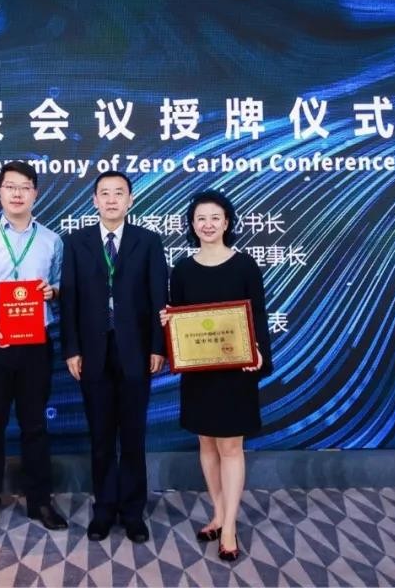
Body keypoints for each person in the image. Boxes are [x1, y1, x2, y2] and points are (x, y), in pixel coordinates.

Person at [0, 161, 68, 541]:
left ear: (35, 192)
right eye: (10, 186)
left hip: (35, 343)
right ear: (0, 192)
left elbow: (59, 285)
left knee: (35, 425)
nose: (17, 193)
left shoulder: (52, 240)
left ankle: (40, 501)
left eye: (25, 187)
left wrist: (53, 291)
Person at [160, 189, 272, 562]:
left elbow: (258, 314)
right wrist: (169, 321)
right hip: (200, 373)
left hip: (235, 371)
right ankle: (219, 513)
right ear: (192, 225)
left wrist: (258, 351)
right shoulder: (182, 269)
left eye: (215, 218)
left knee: (231, 447)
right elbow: (180, 318)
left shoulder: (245, 265)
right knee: (206, 444)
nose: (207, 224)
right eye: (200, 218)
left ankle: (230, 527)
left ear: (227, 222)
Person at [60, 170, 167, 543]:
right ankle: (104, 509)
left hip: (136, 352)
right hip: (92, 353)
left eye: (118, 193)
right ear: (94, 200)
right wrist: (71, 349)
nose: (111, 199)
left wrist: (158, 346)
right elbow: (69, 299)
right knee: (101, 436)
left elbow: (159, 296)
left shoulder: (148, 241)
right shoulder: (76, 242)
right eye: (104, 193)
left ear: (130, 200)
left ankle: (133, 513)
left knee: (133, 436)